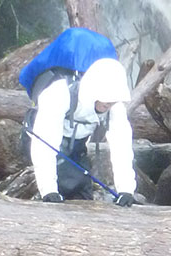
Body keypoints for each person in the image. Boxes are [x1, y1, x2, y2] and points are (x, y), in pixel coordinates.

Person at [19, 27, 137, 206]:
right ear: (93, 91)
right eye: (104, 102)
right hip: (42, 138)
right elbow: (45, 143)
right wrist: (48, 190)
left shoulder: (115, 104)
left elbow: (122, 144)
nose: (107, 106)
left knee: (83, 192)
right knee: (65, 186)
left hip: (78, 143)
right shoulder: (59, 93)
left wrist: (126, 189)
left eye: (111, 103)